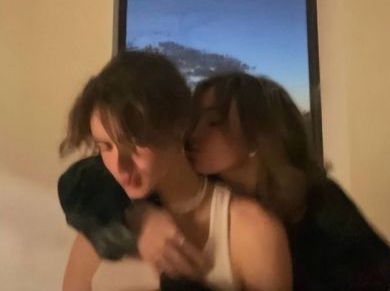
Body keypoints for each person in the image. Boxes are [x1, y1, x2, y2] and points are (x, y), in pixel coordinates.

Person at [59, 51, 292, 291]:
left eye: (135, 142)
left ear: (179, 126)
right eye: (105, 147)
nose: (120, 166)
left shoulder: (252, 231)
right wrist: (137, 220)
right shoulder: (103, 211)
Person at [187, 72, 390, 290]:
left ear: (256, 135)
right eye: (194, 120)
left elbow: (379, 267)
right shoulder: (200, 198)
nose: (194, 134)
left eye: (213, 122)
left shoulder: (319, 201)